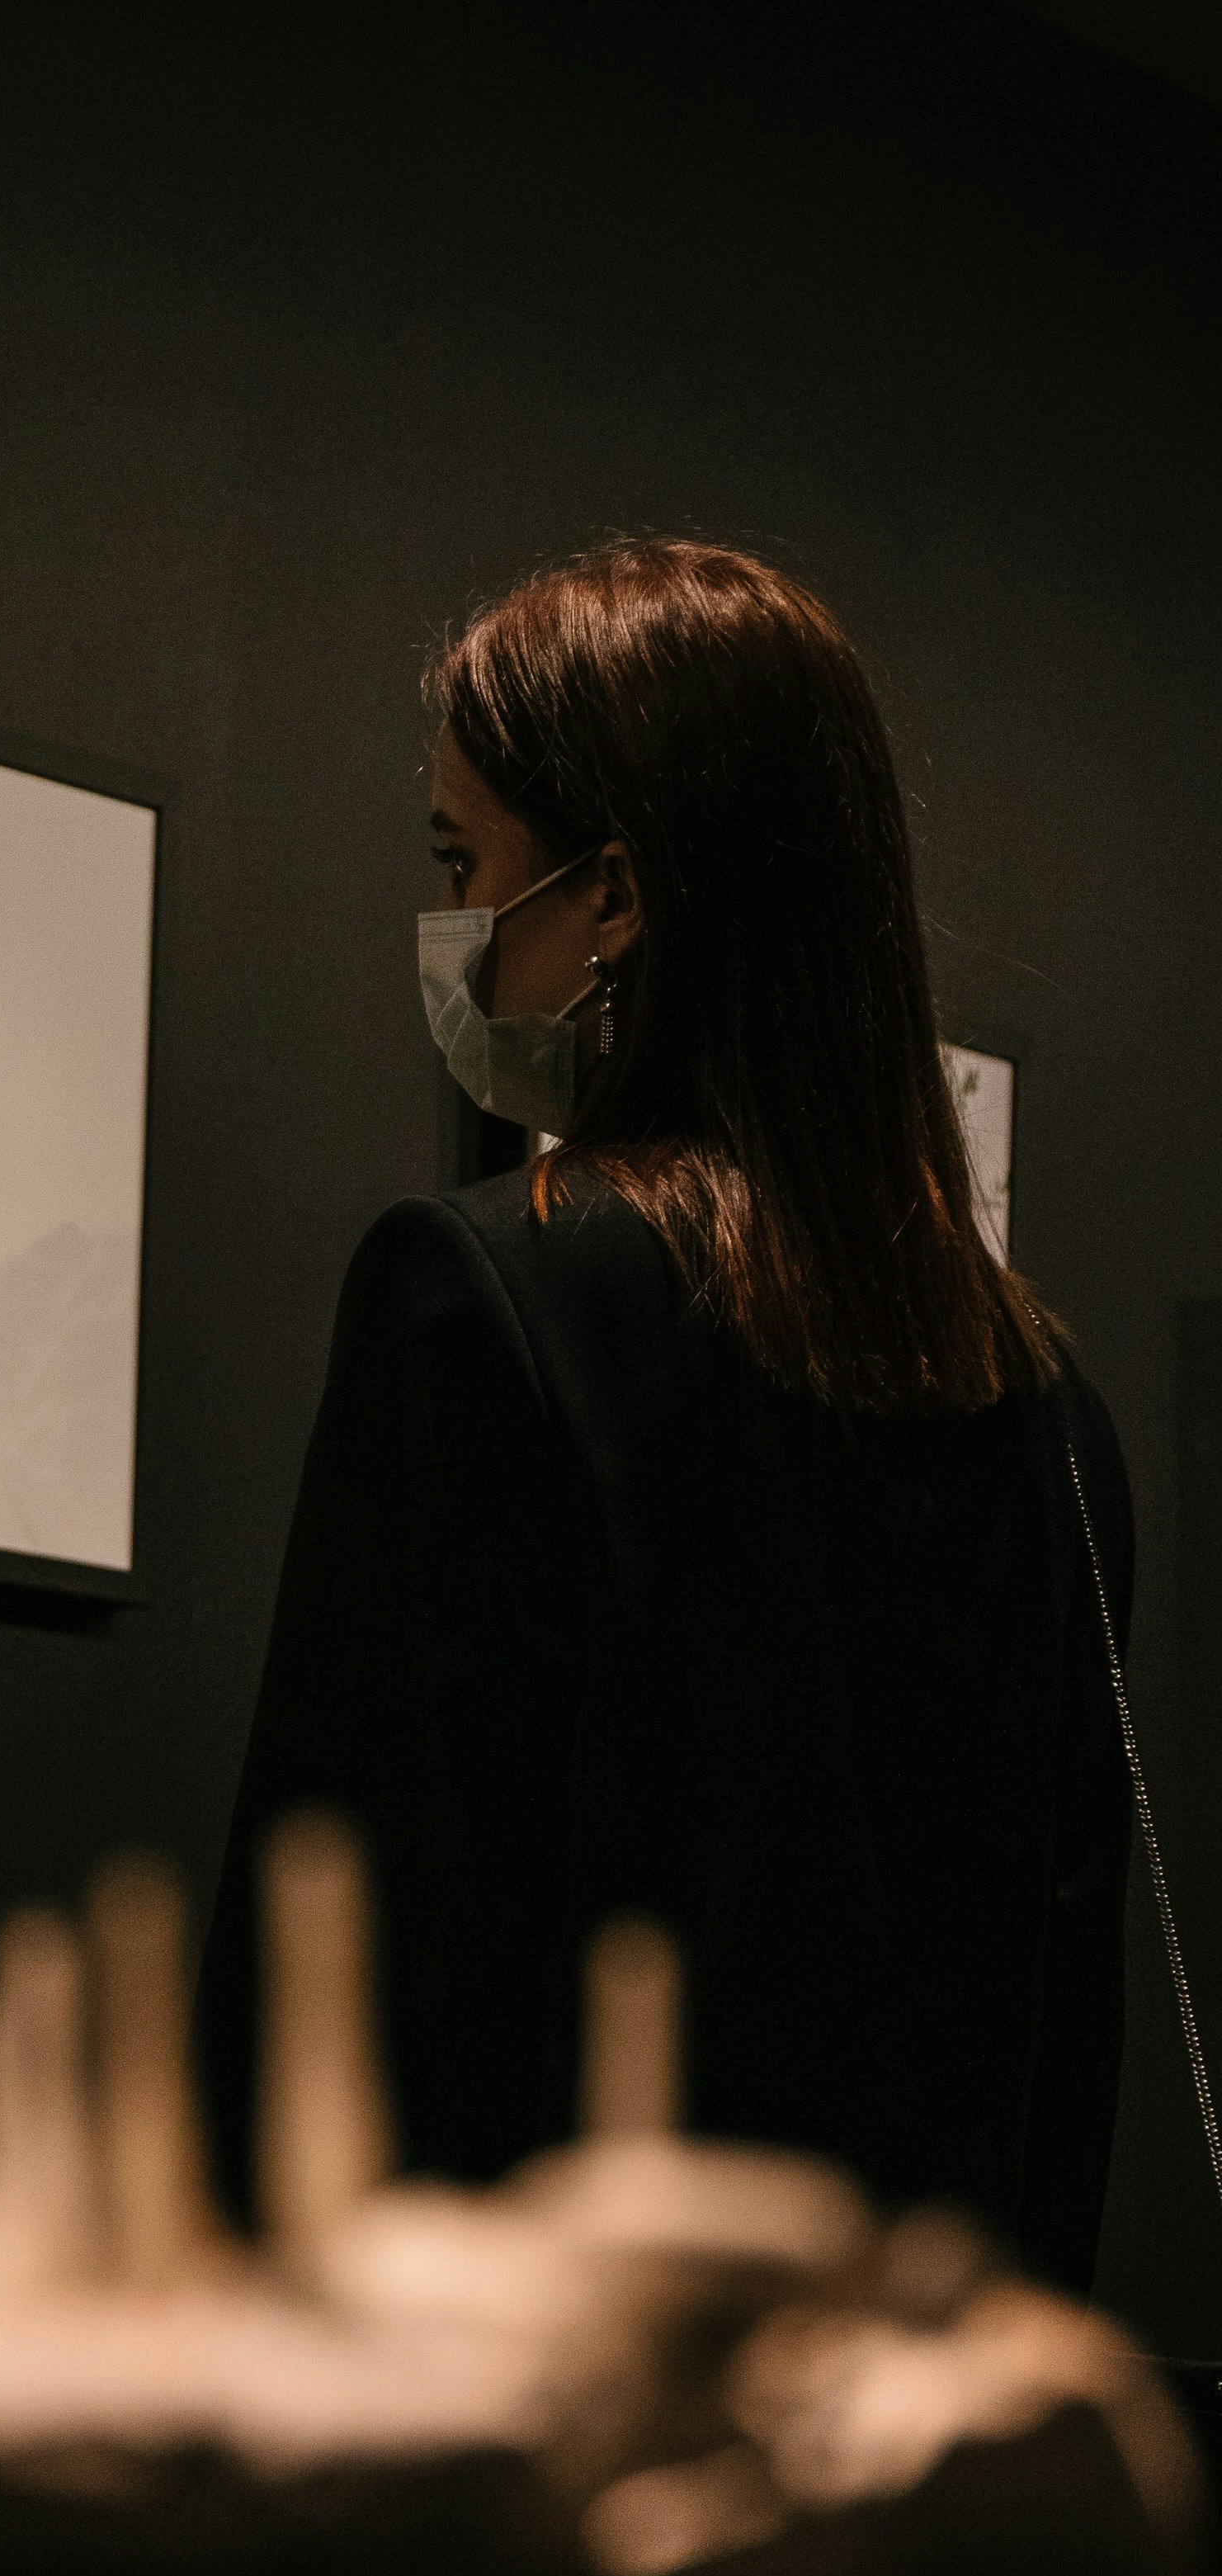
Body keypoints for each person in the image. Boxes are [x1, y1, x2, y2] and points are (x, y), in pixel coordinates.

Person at [199, 537, 1131, 2292]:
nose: (451, 925)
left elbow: (329, 1949)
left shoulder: (481, 1296)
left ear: (615, 896)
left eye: (464, 862)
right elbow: (1057, 2047)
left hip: (538, 2390)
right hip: (905, 2398)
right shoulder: (1051, 1414)